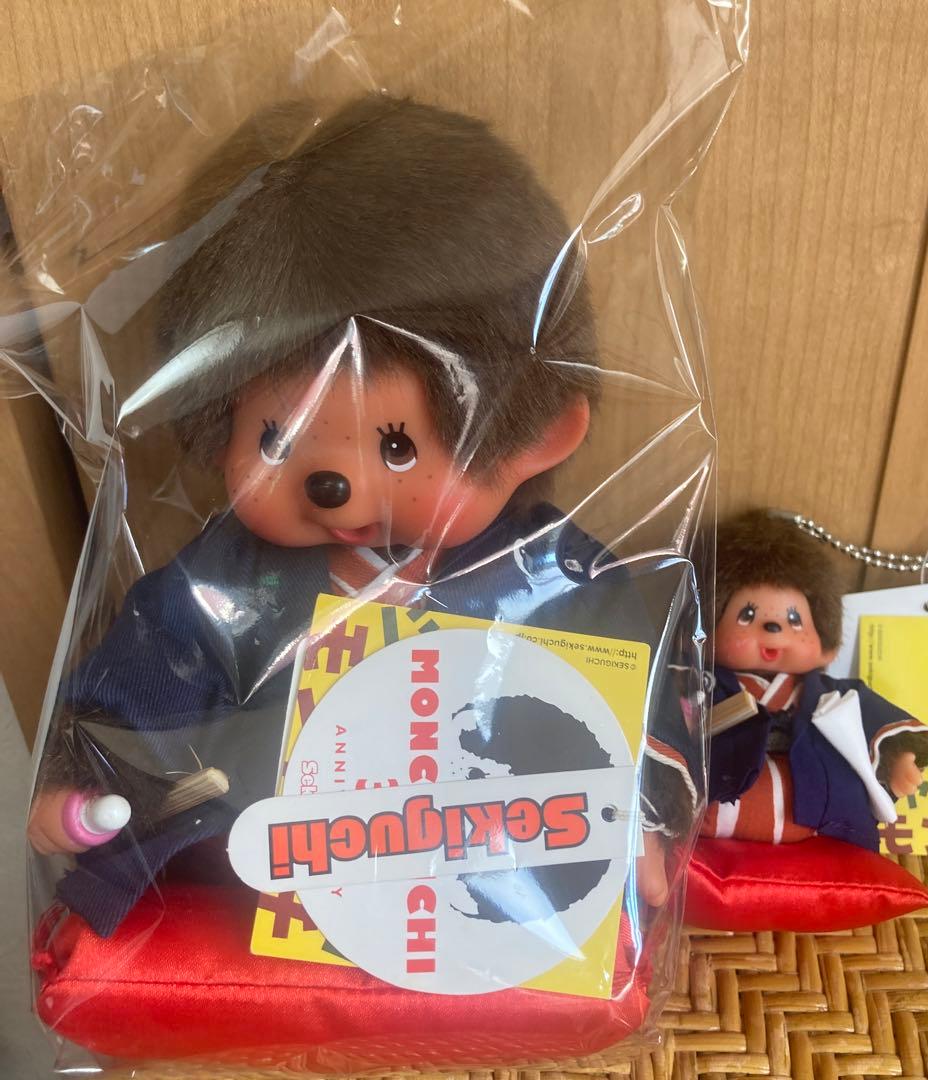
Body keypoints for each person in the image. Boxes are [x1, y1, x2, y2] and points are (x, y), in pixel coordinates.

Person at [27, 94, 701, 937]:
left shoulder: (552, 578)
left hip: (491, 892)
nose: (335, 486)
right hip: (267, 886)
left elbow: (630, 699)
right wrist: (90, 773)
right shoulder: (233, 582)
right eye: (276, 438)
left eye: (397, 445)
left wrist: (637, 811)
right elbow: (153, 676)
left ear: (534, 435)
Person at [703, 509, 928, 852]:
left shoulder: (832, 698)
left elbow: (874, 719)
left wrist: (895, 758)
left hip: (813, 820)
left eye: (794, 619)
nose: (774, 629)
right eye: (747, 615)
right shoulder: (703, 686)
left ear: (824, 641)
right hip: (717, 813)